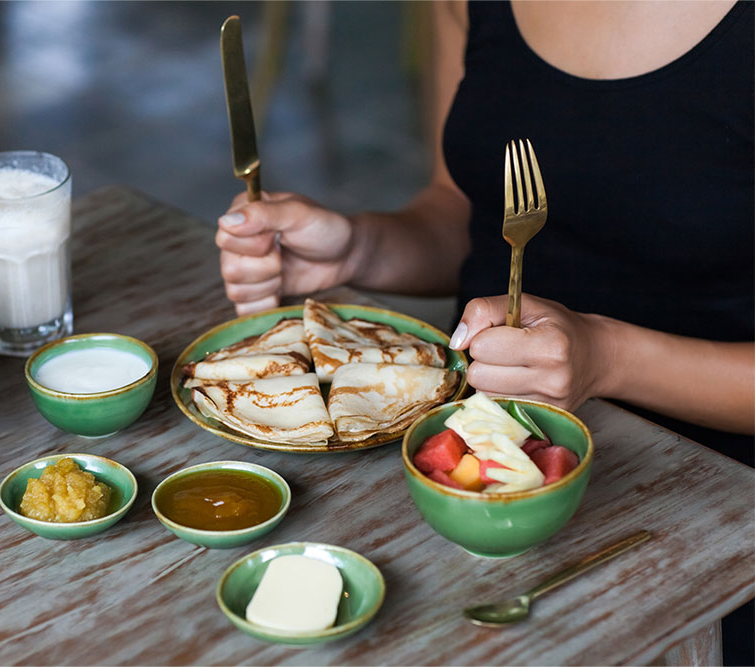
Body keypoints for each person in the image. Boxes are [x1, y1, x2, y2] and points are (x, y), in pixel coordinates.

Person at [215, 2, 753, 662]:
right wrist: (357, 251)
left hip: (705, 510)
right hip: (461, 471)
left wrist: (608, 355)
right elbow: (460, 215)